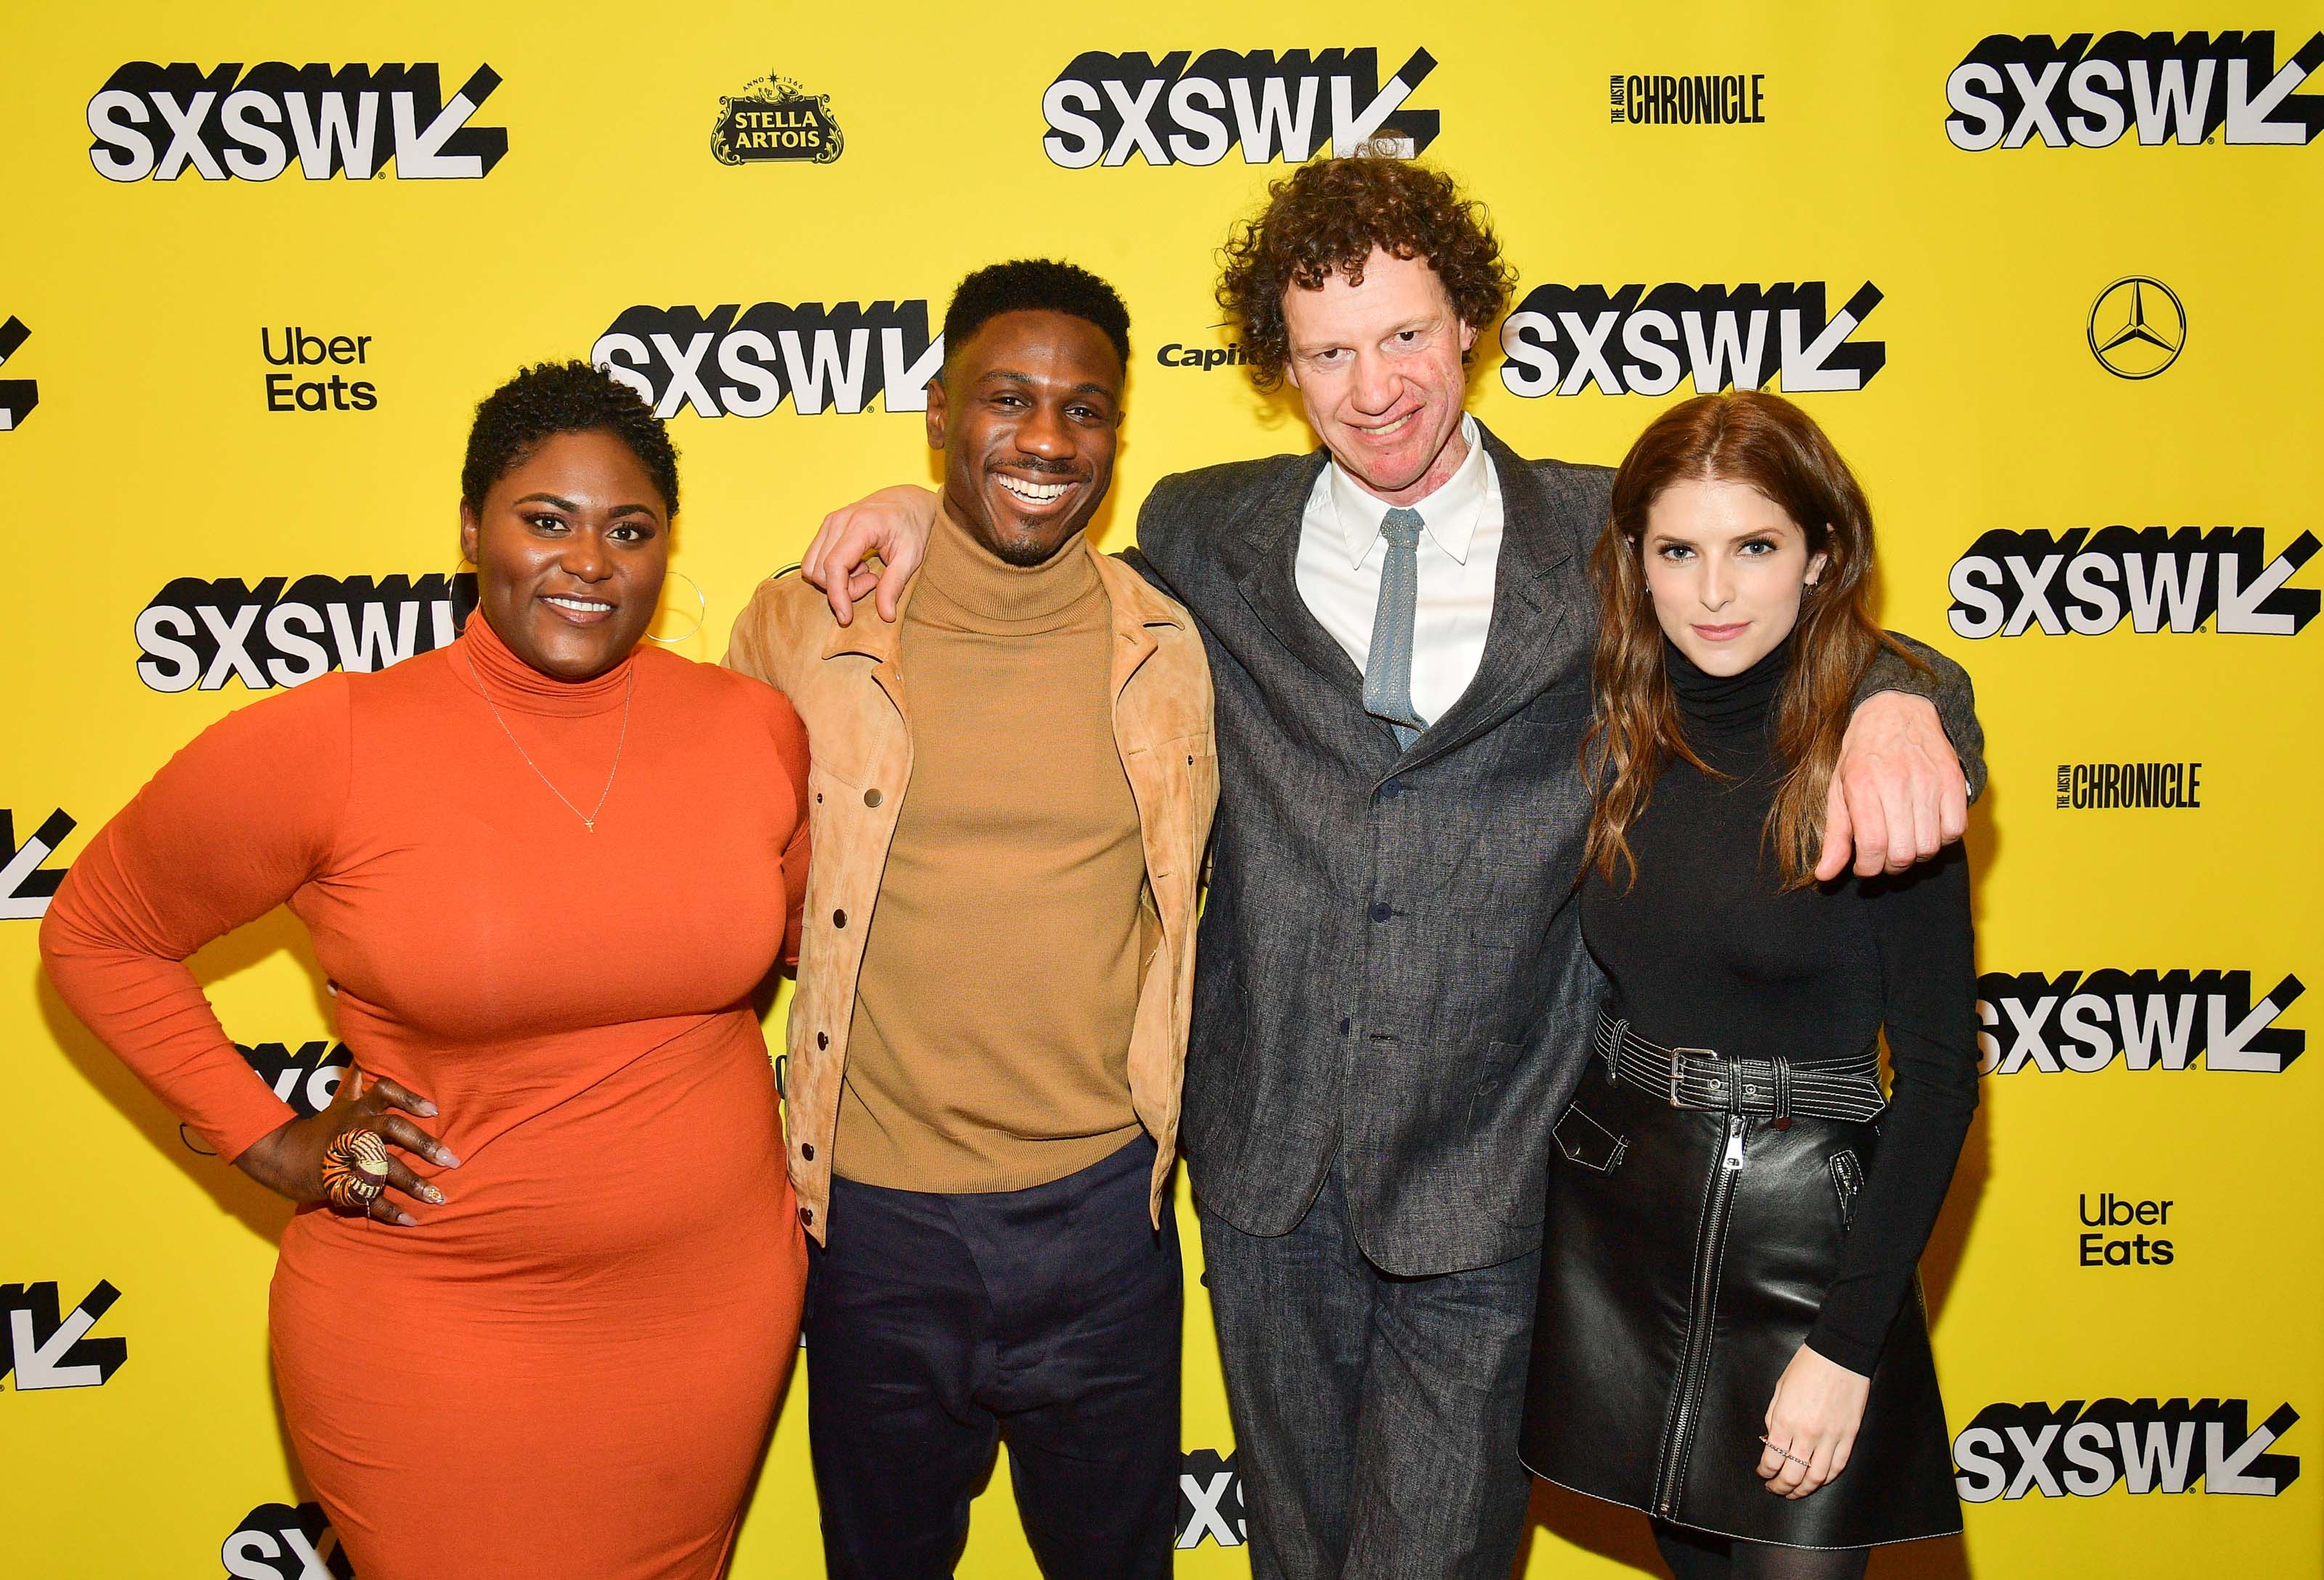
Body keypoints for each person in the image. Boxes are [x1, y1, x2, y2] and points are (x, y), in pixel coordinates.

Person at [798, 154, 1983, 1579]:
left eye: (1405, 334)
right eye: (1328, 352)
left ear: (1470, 322)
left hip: (1497, 1183)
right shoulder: (1197, 528)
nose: (1374, 388)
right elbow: (1031, 540)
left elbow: (1784, 600)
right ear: (1279, 371)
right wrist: (917, 507)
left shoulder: (1605, 531)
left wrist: (1910, 697)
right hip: (1260, 1180)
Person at [40, 362, 811, 1580]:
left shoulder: (749, 728)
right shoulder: (333, 743)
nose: (587, 562)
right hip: (436, 1309)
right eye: (544, 520)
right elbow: (97, 932)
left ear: (668, 548)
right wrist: (266, 1136)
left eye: (629, 530)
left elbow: (830, 936)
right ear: (469, 532)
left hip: (706, 1308)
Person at [723, 259, 1215, 1580]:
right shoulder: (799, 629)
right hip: (876, 1229)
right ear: (938, 411)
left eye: (1085, 409)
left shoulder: (1176, 643)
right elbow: (724, 889)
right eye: (1008, 399)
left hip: (1111, 1219)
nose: (1048, 440)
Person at [1521, 390, 1975, 1579]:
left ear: (1823, 557)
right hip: (1627, 1228)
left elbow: (1937, 1080)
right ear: (1636, 561)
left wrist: (1848, 1345)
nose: (1714, 593)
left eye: (1755, 547)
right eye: (1679, 550)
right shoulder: (1617, 720)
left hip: (1805, 1254)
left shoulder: (1882, 762)